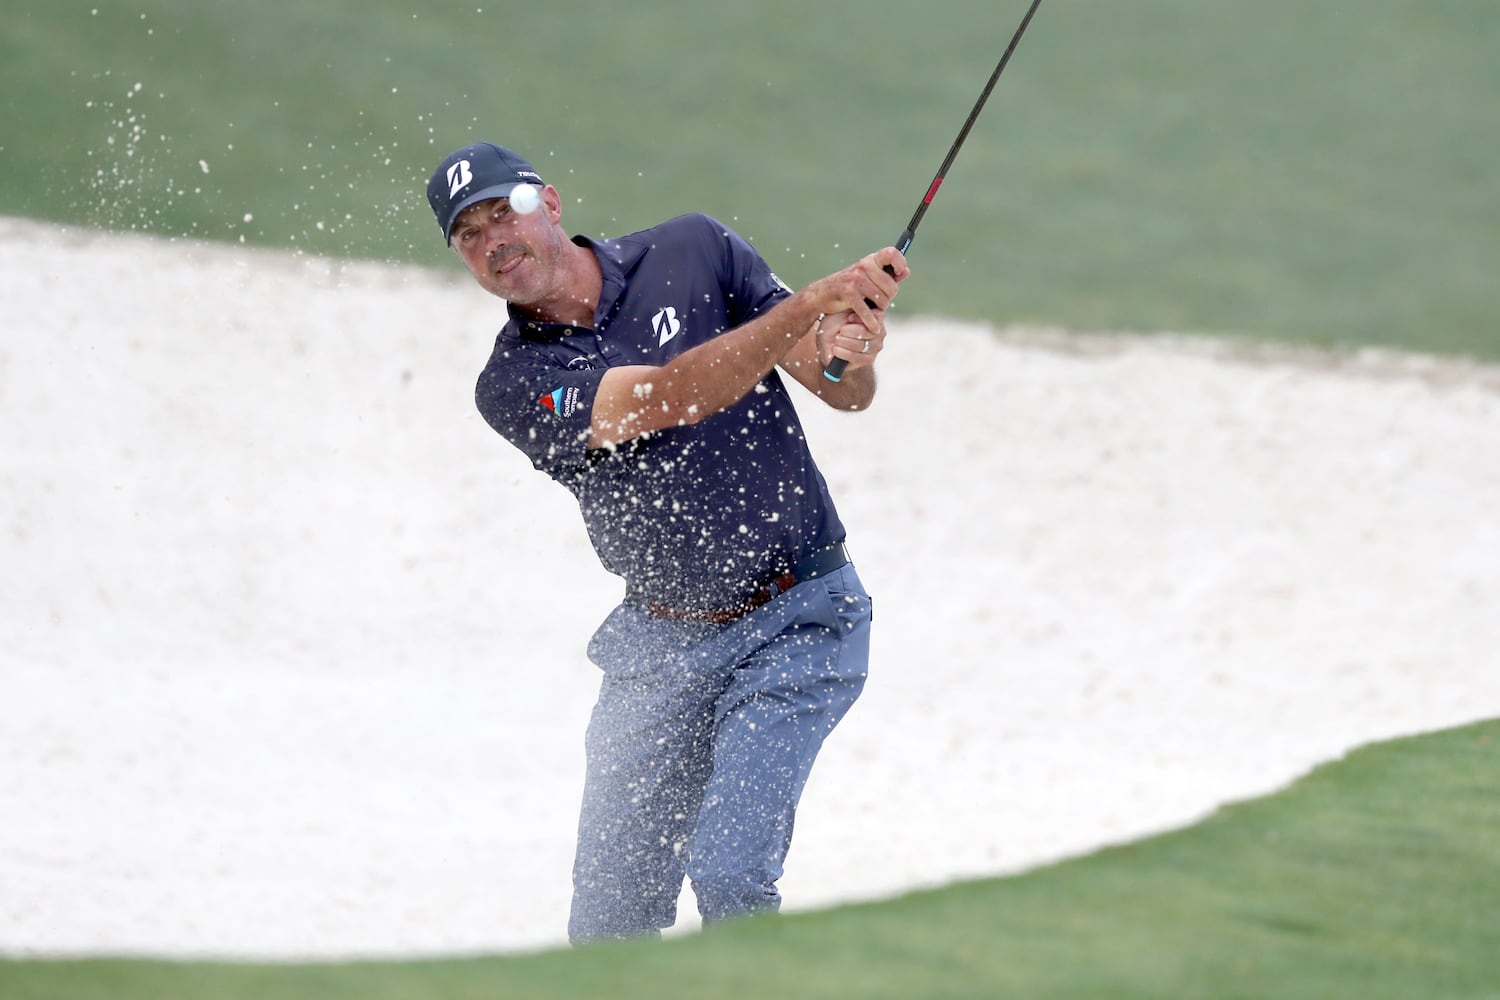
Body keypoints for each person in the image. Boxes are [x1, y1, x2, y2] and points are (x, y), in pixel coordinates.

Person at [425, 142, 909, 943]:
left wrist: (845, 350)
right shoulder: (511, 384)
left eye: (500, 212)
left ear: (548, 202)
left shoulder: (693, 248)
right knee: (608, 924)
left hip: (796, 619)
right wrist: (811, 301)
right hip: (658, 647)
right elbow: (673, 395)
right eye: (467, 234)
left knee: (730, 870)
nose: (493, 242)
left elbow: (838, 389)